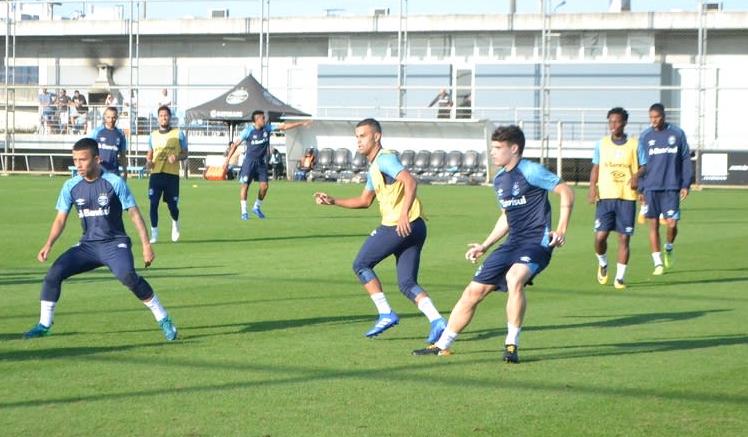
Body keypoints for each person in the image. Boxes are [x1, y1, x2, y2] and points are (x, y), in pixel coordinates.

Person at [412, 125, 574, 363]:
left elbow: (566, 191)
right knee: (472, 292)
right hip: (513, 243)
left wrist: (560, 229)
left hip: (536, 243)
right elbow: (506, 217)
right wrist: (485, 246)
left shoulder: (531, 170)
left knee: (514, 278)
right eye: (492, 148)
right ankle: (442, 345)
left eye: (498, 148)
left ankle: (511, 344)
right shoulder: (499, 180)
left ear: (514, 148)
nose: (493, 153)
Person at [22, 137, 177, 341]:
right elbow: (60, 219)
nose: (78, 164)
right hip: (87, 246)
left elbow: (134, 214)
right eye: (75, 159)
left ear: (97, 159)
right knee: (54, 274)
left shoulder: (114, 183)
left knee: (127, 276)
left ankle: (163, 318)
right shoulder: (71, 186)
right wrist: (48, 244)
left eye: (83, 159)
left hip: (114, 243)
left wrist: (146, 245)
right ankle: (44, 325)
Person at [313, 118, 448, 342]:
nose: (359, 141)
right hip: (416, 226)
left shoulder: (385, 160)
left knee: (361, 264)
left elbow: (410, 182)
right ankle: (437, 320)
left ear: (376, 137)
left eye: (363, 136)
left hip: (399, 224)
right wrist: (333, 201)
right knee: (407, 283)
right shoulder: (374, 167)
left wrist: (404, 213)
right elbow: (365, 201)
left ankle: (385, 313)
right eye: (356, 136)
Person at [588, 107, 643, 289]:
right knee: (600, 237)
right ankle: (603, 262)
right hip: (605, 197)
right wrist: (592, 188)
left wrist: (637, 175)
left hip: (626, 197)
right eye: (610, 121)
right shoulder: (601, 144)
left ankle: (620, 278)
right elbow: (596, 167)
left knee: (623, 239)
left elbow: (645, 165)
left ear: (624, 123)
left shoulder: (635, 144)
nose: (613, 125)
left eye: (617, 121)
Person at [222, 110, 311, 220]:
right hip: (249, 162)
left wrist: (301, 123)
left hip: (261, 163)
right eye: (262, 118)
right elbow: (235, 145)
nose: (265, 120)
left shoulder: (267, 128)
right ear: (257, 120)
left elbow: (284, 126)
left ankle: (256, 207)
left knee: (265, 186)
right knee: (245, 185)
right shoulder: (248, 131)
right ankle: (244, 212)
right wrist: (227, 161)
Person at [638, 102, 693, 275]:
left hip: (671, 187)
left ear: (664, 116)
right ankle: (657, 263)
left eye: (657, 117)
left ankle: (668, 248)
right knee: (653, 225)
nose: (654, 121)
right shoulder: (645, 136)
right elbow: (641, 164)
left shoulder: (677, 134)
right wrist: (640, 188)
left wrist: (685, 184)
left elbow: (685, 159)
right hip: (651, 187)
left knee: (672, 224)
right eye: (651, 118)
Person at [145, 105, 188, 243]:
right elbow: (150, 154)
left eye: (166, 115)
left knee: (172, 206)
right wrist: (148, 163)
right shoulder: (153, 135)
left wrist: (177, 157)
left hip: (172, 175)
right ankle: (154, 234)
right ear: (158, 118)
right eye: (161, 115)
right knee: (153, 204)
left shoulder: (178, 133)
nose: (164, 118)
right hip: (156, 174)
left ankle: (175, 223)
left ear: (170, 117)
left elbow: (185, 153)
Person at [89, 106, 129, 178]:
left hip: (113, 173)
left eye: (113, 117)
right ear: (104, 116)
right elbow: (87, 149)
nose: (111, 120)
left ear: (117, 117)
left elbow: (122, 155)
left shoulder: (120, 134)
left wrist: (125, 171)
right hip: (97, 173)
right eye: (108, 117)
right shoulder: (96, 132)